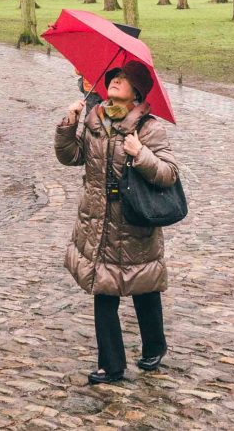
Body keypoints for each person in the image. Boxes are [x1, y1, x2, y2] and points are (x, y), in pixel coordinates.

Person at [55, 59, 179, 384]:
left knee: (144, 286)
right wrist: (70, 122)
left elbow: (169, 173)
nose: (115, 82)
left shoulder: (150, 129)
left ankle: (155, 345)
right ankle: (112, 366)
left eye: (123, 79)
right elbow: (69, 157)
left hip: (134, 221)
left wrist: (141, 154)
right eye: (113, 77)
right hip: (98, 221)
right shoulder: (95, 122)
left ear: (136, 93)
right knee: (104, 291)